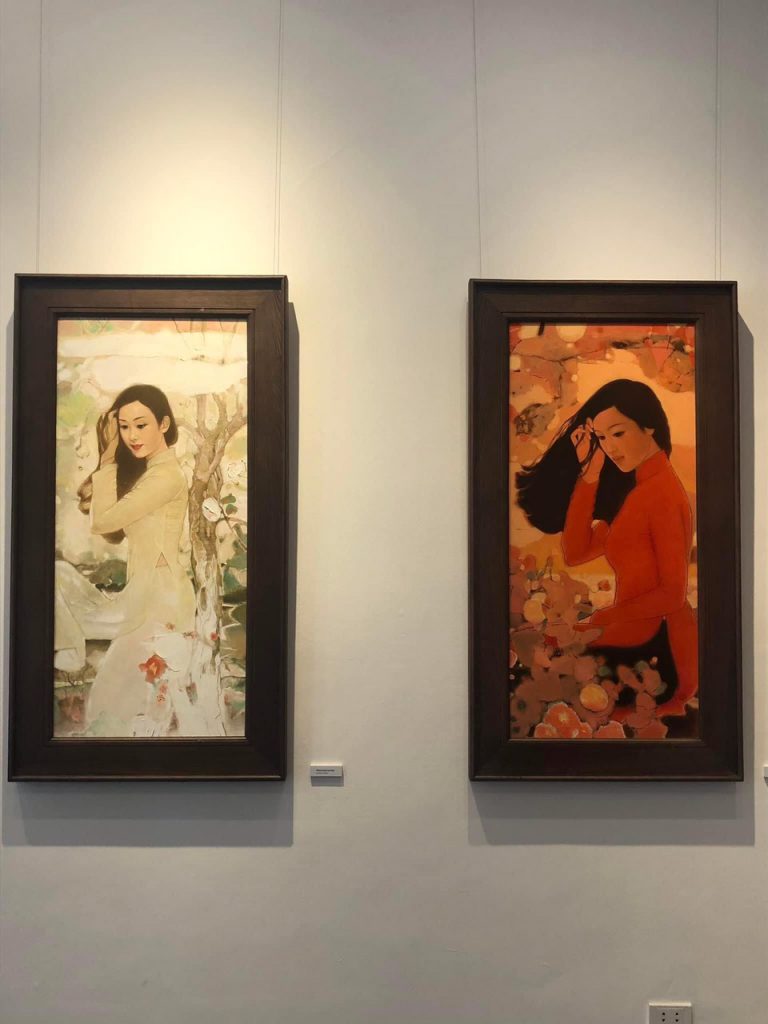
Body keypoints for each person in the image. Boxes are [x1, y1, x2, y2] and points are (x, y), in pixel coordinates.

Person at [516, 379, 698, 719]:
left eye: (618, 433)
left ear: (649, 426)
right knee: (534, 650)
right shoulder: (634, 492)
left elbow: (672, 594)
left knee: (540, 670)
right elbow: (576, 553)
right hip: (628, 632)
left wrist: (601, 619)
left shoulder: (663, 494)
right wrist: (590, 474)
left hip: (659, 646)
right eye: (601, 438)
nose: (610, 447)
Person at [54, 384, 197, 736]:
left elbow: (103, 521)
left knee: (112, 700)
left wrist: (107, 461)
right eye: (124, 426)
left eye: (141, 425)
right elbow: (111, 530)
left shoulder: (165, 477)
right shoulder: (150, 473)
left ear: (164, 424)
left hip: (161, 602)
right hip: (145, 594)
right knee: (128, 702)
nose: (132, 435)